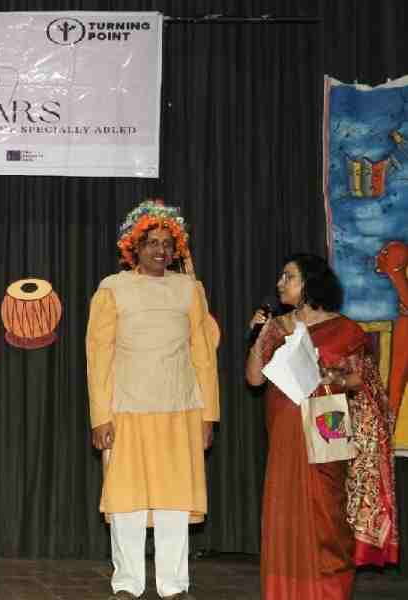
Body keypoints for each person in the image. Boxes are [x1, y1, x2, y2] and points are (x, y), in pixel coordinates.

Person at [86, 200, 220, 600]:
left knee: (174, 502)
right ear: (133, 248)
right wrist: (100, 417)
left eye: (167, 243)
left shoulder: (188, 290)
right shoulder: (113, 289)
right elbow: (98, 356)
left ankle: (173, 585)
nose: (161, 251)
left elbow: (205, 353)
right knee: (126, 501)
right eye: (152, 243)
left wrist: (208, 416)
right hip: (126, 409)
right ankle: (127, 583)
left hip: (181, 408)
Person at [246, 253, 398, 599]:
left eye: (289, 277)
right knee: (285, 514)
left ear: (310, 284)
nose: (280, 283)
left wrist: (332, 375)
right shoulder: (277, 326)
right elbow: (254, 379)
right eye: (282, 277)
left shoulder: (345, 329)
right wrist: (259, 336)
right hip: (284, 426)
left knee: (326, 512)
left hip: (327, 421)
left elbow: (364, 379)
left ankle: (328, 591)